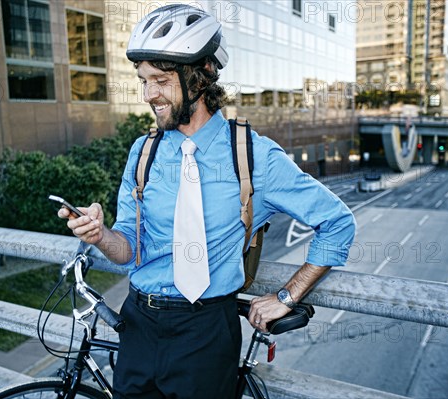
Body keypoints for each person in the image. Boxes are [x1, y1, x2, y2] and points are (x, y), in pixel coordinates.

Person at [58, 4, 356, 398]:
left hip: (205, 334)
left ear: (200, 77)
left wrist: (287, 296)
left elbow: (337, 222)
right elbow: (128, 247)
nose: (149, 95)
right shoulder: (142, 152)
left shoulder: (254, 156)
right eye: (144, 81)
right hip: (138, 325)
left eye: (161, 80)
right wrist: (100, 235)